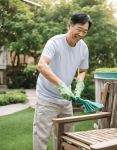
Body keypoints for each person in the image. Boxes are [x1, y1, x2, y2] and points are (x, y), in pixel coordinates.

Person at [33, 12, 92, 150]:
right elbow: (42, 65)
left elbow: (82, 70)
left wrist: (79, 85)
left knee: (67, 139)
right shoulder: (55, 42)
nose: (82, 34)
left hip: (66, 101)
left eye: (85, 31)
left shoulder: (83, 48)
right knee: (41, 138)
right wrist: (60, 85)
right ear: (69, 26)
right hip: (47, 98)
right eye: (79, 29)